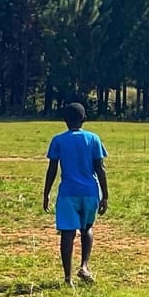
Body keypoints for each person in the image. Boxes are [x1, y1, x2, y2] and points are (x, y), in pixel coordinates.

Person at [41, 102, 109, 285]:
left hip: (68, 193)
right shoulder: (94, 139)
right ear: (84, 119)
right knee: (87, 228)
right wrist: (105, 196)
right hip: (90, 192)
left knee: (67, 234)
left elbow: (52, 170)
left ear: (65, 121)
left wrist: (46, 193)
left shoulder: (58, 140)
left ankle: (67, 278)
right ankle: (84, 266)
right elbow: (100, 168)